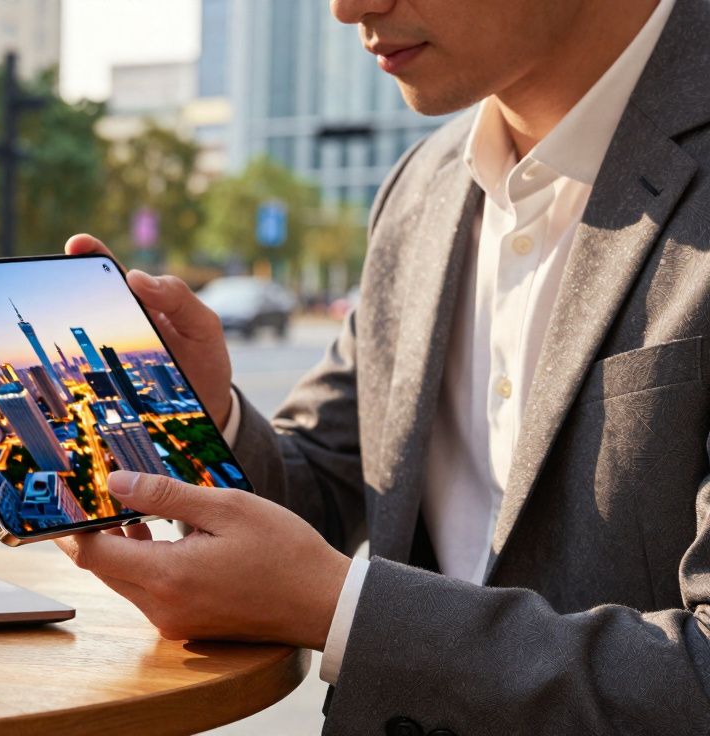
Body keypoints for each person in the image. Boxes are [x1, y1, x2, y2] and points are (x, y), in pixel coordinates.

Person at [55, 0, 710, 731]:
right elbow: (330, 484)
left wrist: (342, 608)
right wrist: (210, 423)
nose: (346, 8)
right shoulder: (422, 186)